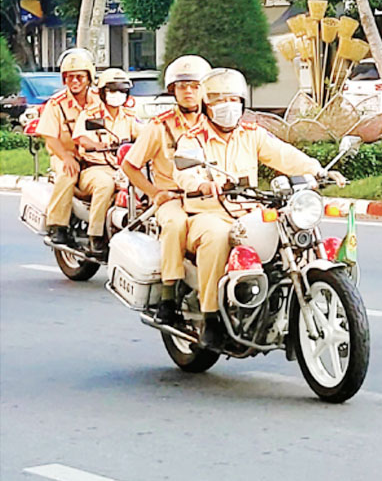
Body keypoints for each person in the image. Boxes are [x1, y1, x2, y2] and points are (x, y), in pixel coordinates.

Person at [172, 68, 347, 346]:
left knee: (287, 227)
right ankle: (211, 316)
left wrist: (318, 170)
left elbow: (284, 155)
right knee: (217, 238)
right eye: (218, 100)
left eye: (233, 99)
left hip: (249, 210)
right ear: (206, 105)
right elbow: (182, 170)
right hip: (208, 212)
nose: (227, 106)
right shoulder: (193, 138)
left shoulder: (252, 135)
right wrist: (200, 183)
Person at [122, 55, 213, 324]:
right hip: (174, 196)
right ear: (172, 90)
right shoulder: (159, 126)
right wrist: (154, 193)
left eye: (195, 85)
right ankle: (168, 296)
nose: (188, 92)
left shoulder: (215, 122)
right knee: (175, 224)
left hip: (210, 195)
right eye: (182, 86)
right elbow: (130, 166)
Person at [66, 68, 140, 256]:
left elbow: (143, 134)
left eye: (122, 91)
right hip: (95, 168)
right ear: (102, 92)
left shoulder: (128, 116)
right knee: (105, 185)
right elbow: (81, 137)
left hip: (123, 167)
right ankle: (95, 237)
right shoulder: (90, 114)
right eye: (112, 90)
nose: (117, 95)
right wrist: (97, 144)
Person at [37, 48, 101, 248]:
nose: (75, 81)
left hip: (95, 156)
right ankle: (58, 225)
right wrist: (66, 157)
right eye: (70, 77)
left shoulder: (99, 100)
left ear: (89, 78)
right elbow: (50, 137)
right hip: (65, 154)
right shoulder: (56, 104)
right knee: (67, 174)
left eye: (80, 77)